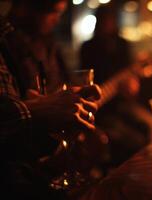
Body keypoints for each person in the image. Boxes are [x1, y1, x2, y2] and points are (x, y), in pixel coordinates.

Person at [0, 1, 101, 199]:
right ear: (24, 8)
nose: (58, 19)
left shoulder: (49, 43)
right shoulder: (11, 41)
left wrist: (69, 101)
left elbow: (63, 86)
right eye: (53, 12)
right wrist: (39, 108)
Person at [80, 4, 152, 166]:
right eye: (104, 20)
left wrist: (132, 87)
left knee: (149, 122)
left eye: (111, 20)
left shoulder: (122, 45)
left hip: (123, 103)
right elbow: (83, 81)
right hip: (100, 109)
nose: (108, 23)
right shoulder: (87, 47)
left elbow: (131, 78)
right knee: (132, 138)